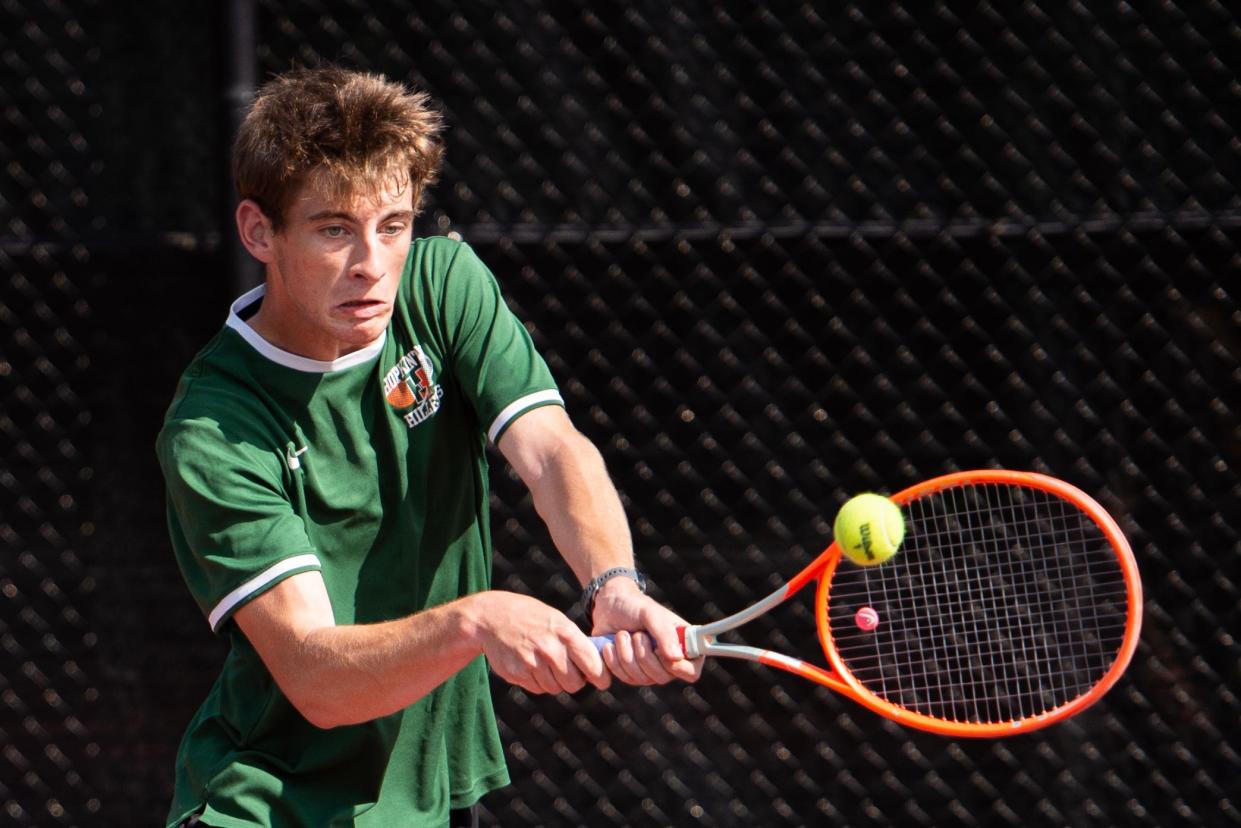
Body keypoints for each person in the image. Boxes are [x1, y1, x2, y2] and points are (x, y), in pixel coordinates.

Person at [157, 65, 700, 828]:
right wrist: (474, 622)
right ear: (259, 232)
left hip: (435, 788)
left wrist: (613, 585)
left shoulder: (441, 285)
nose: (371, 265)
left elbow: (550, 450)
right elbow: (317, 677)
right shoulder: (215, 430)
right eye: (334, 230)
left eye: (393, 225)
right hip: (278, 803)